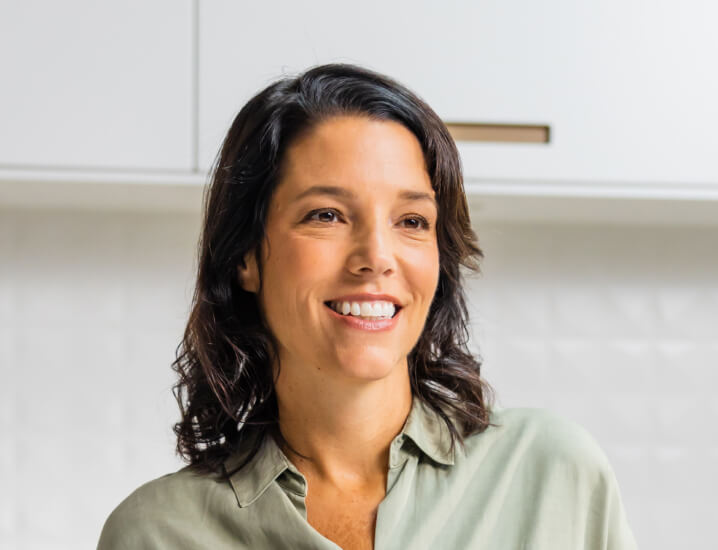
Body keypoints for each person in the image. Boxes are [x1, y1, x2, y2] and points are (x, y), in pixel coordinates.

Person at [97, 63, 638, 550]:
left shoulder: (551, 473)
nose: (377, 258)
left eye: (411, 221)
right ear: (246, 257)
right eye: (326, 215)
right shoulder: (157, 533)